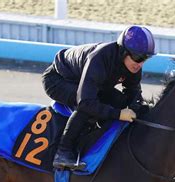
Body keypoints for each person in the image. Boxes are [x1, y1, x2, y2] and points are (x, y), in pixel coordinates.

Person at [42, 25, 156, 171]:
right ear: (123, 51)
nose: (140, 63)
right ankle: (63, 152)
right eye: (138, 57)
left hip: (89, 82)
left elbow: (133, 94)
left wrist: (136, 109)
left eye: (145, 58)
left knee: (120, 101)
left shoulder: (133, 65)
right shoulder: (99, 58)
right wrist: (118, 114)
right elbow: (85, 102)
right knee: (90, 107)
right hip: (58, 80)